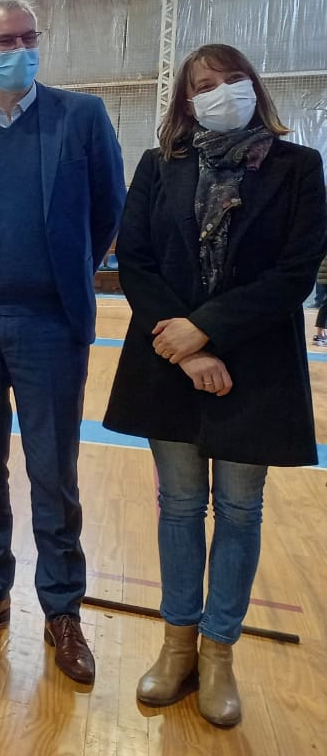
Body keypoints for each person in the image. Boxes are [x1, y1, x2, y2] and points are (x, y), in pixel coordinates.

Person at [103, 44, 326, 726]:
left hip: (252, 366)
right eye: (205, 84)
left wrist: (206, 333)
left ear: (254, 86)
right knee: (178, 506)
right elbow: (135, 261)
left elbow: (295, 273)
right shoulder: (158, 165)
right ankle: (177, 645)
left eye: (233, 79)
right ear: (186, 100)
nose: (221, 91)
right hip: (168, 361)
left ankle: (219, 651)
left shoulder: (298, 167)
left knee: (238, 509)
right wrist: (184, 348)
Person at [0, 0, 125, 684]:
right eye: (5, 41)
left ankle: (62, 608)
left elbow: (108, 210)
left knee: (53, 471)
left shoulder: (82, 117)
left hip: (49, 322)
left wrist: (63, 272)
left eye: (28, 37)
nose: (20, 49)